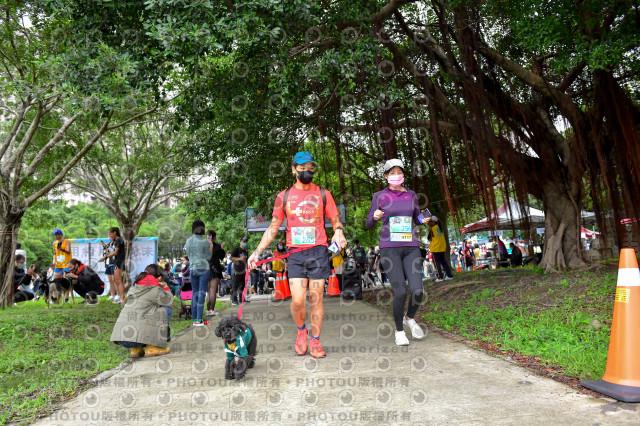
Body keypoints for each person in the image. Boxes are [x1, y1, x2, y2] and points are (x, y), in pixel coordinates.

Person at [248, 151, 347, 358]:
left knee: (316, 298)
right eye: (302, 167)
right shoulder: (283, 197)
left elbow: (336, 220)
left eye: (310, 167)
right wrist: (256, 252)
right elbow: (273, 227)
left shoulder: (323, 194)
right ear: (293, 169)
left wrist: (338, 231)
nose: (306, 171)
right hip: (295, 254)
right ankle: (301, 331)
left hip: (319, 251)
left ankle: (316, 341)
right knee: (298, 300)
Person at [365, 158, 430, 346]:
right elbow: (369, 224)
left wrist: (422, 218)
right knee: (400, 292)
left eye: (398, 172)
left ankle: (409, 318)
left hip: (411, 247)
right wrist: (375, 217)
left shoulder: (411, 194)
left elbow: (416, 218)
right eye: (391, 173)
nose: (395, 176)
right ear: (386, 176)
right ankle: (399, 331)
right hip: (389, 248)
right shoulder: (379, 196)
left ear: (403, 174)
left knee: (418, 290)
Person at [110, 264, 173, 358]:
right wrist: (166, 287)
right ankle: (153, 347)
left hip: (121, 338)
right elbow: (169, 301)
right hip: (135, 338)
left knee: (145, 313)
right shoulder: (154, 289)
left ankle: (136, 349)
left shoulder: (134, 287)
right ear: (159, 278)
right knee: (166, 310)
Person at [185, 220, 212, 326]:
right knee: (201, 294)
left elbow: (189, 255)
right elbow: (208, 257)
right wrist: (211, 248)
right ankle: (199, 319)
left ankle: (194, 319)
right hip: (204, 268)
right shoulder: (205, 242)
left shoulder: (188, 241)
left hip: (193, 269)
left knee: (194, 293)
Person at [98, 227, 126, 304]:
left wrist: (105, 257)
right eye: (108, 234)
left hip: (119, 262)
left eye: (110, 233)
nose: (108, 235)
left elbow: (116, 252)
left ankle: (122, 298)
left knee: (119, 281)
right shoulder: (115, 241)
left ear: (115, 233)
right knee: (116, 281)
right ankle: (121, 298)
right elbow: (112, 251)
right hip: (115, 262)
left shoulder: (119, 240)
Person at [428, 216, 453, 282]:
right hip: (442, 248)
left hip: (435, 248)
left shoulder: (432, 229)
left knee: (437, 263)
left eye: (430, 222)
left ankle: (440, 277)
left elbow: (429, 238)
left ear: (433, 222)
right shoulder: (441, 228)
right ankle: (449, 275)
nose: (429, 223)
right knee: (444, 262)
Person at [206, 230, 225, 316]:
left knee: (208, 292)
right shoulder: (217, 246)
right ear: (214, 237)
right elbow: (221, 257)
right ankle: (212, 310)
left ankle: (207, 310)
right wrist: (222, 248)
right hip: (215, 270)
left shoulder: (204, 246)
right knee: (213, 290)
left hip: (205, 270)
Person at [52, 229, 72, 302]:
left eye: (58, 235)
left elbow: (69, 251)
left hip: (66, 263)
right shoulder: (54, 243)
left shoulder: (66, 241)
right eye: (55, 235)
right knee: (55, 281)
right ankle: (54, 298)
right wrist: (54, 260)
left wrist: (62, 249)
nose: (57, 236)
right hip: (58, 264)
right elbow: (54, 253)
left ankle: (66, 298)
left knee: (66, 281)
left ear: (61, 235)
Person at [230, 237, 249, 306]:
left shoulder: (246, 251)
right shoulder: (236, 250)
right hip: (236, 270)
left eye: (246, 242)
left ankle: (242, 298)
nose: (245, 243)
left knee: (242, 285)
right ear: (240, 242)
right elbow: (231, 258)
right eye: (243, 242)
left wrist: (247, 269)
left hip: (243, 271)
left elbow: (247, 260)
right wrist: (240, 258)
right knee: (235, 286)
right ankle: (234, 300)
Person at [101, 235, 117, 301]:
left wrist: (106, 247)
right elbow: (105, 254)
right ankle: (112, 295)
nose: (109, 237)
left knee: (115, 280)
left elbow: (113, 252)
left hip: (114, 263)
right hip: (108, 264)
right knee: (110, 280)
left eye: (110, 235)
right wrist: (105, 248)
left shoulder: (116, 244)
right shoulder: (108, 244)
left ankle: (118, 295)